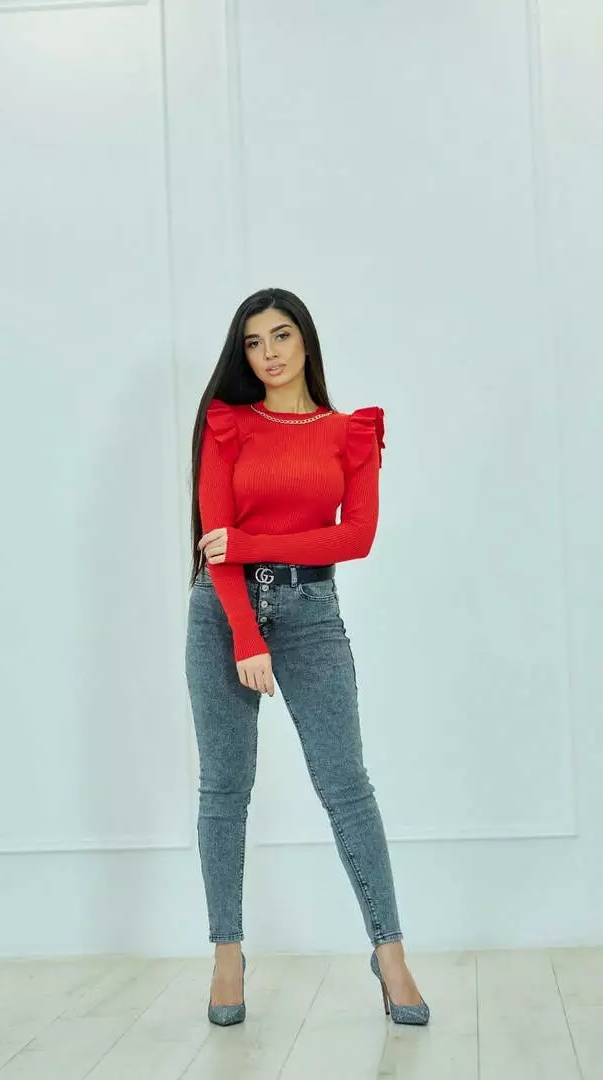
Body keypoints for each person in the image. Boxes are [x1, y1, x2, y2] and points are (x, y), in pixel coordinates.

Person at [185, 287, 430, 1027]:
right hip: (223, 611)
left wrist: (253, 544)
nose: (269, 353)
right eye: (254, 342)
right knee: (224, 788)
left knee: (346, 785)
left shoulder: (349, 432)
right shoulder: (226, 424)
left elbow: (355, 537)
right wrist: (246, 636)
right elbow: (215, 546)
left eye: (282, 335)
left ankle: (390, 955)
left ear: (306, 340)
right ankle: (227, 954)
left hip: (312, 612)